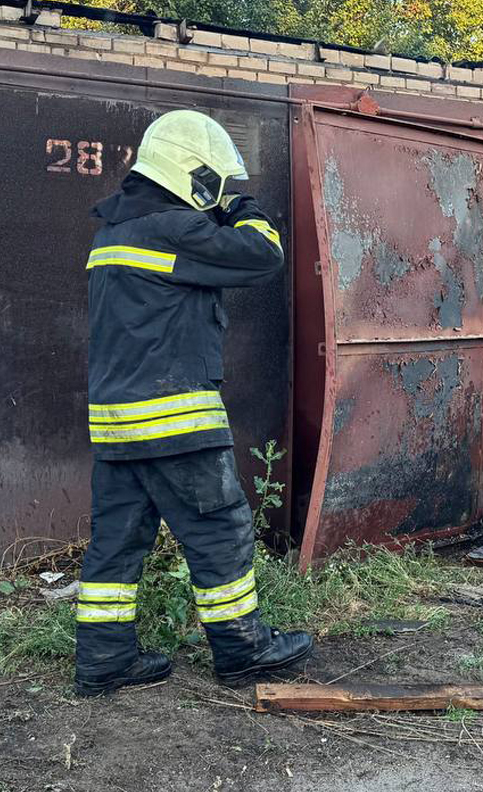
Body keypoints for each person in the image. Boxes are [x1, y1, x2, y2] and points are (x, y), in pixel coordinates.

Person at [75, 109, 312, 696]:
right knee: (219, 529)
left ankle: (104, 660)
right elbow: (263, 255)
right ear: (189, 173)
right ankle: (243, 648)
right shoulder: (172, 229)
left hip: (116, 425)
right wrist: (242, 207)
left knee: (118, 541)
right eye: (213, 183)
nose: (215, 194)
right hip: (175, 418)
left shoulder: (116, 229)